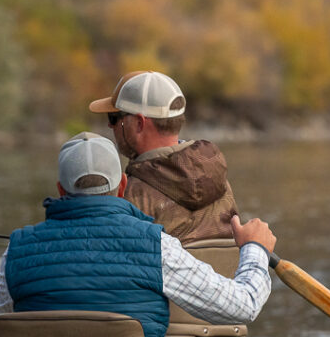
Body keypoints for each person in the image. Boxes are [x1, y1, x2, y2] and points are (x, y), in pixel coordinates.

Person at [0, 133, 275, 337]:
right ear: (122, 187)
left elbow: (5, 325)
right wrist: (256, 249)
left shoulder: (16, 249)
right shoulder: (155, 244)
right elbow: (244, 305)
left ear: (61, 189)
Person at [89, 71, 239, 245]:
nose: (110, 125)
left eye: (114, 118)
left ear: (139, 123)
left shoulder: (128, 199)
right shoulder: (221, 183)